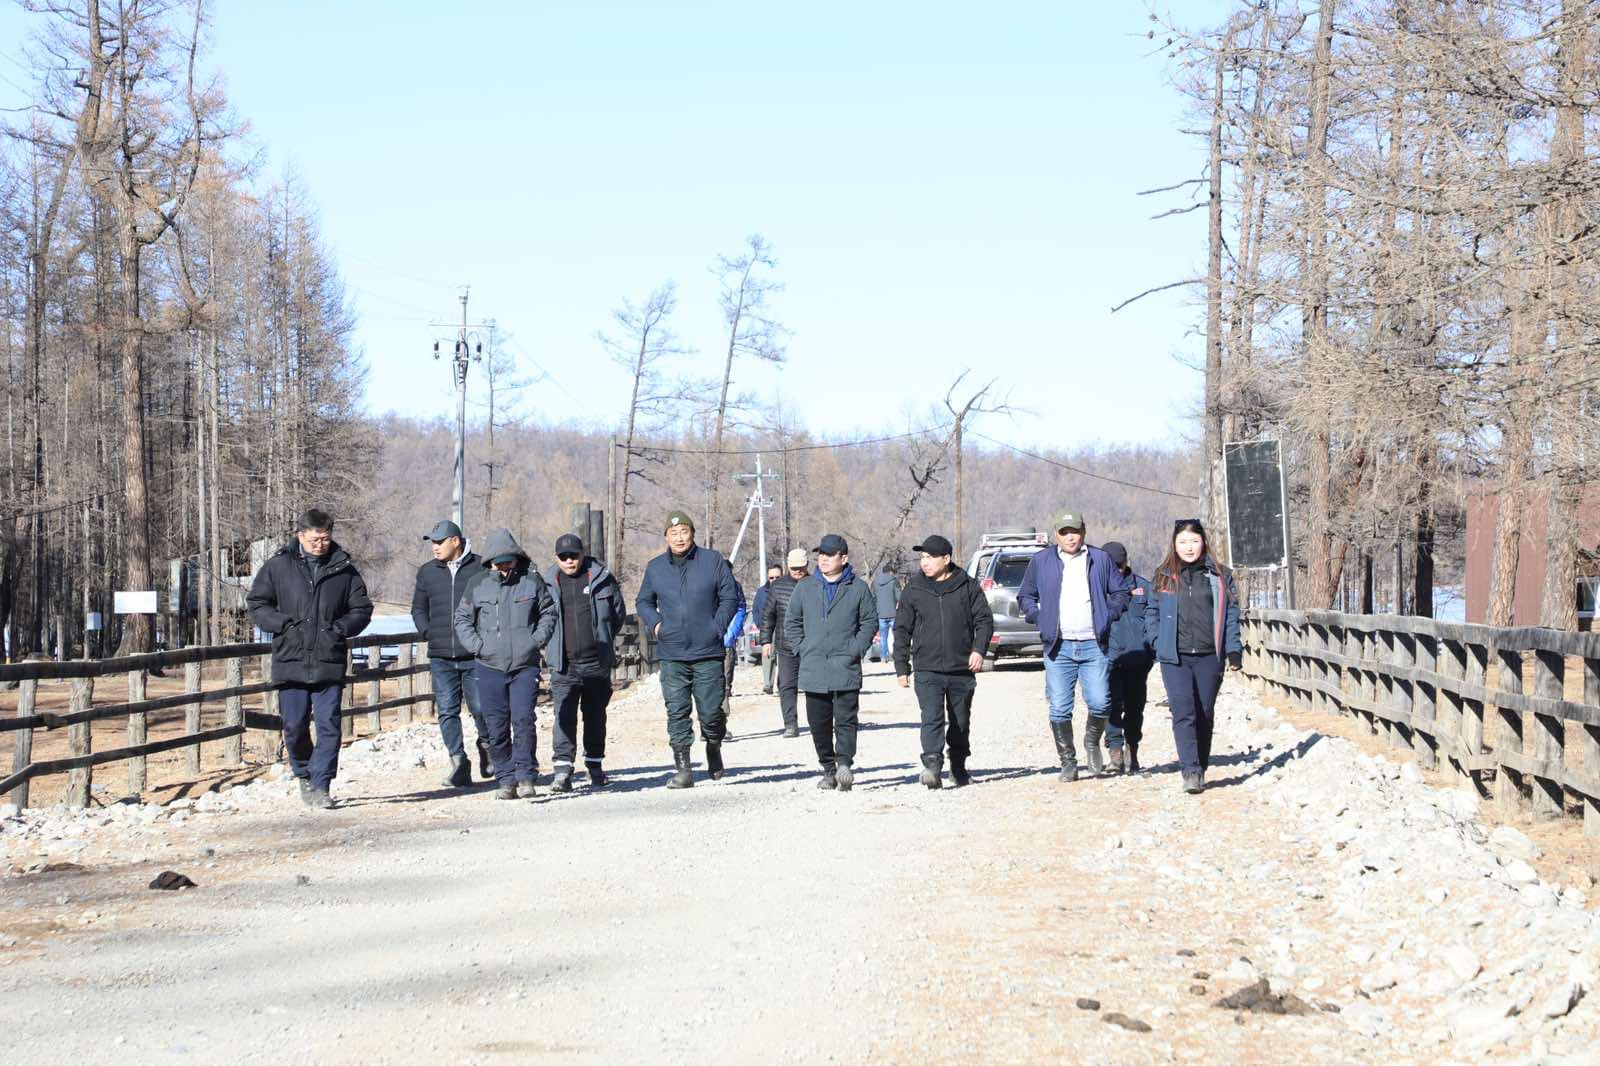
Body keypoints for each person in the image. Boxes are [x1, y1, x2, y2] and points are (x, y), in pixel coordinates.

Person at [247, 508, 373, 810]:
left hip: (328, 659)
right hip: (290, 659)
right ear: (301, 535)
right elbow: (257, 603)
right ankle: (303, 773)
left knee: (329, 724)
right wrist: (283, 625)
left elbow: (361, 610)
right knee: (294, 724)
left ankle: (322, 783)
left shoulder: (344, 570)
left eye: (326, 539)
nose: (321, 544)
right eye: (315, 539)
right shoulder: (278, 567)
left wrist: (339, 629)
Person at [1017, 511, 1133, 783]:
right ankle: (1067, 762)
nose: (1071, 537)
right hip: (1059, 646)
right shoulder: (1042, 561)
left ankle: (1092, 741)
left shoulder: (1099, 559)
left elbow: (1120, 592)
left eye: (1076, 531)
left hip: (1093, 644)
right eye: (1065, 532)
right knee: (1059, 708)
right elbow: (1025, 595)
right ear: (1056, 533)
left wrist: (1108, 614)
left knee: (1101, 702)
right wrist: (1038, 616)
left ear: (1084, 532)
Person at [636, 510, 739, 788]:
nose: (679, 537)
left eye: (684, 531)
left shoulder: (712, 561)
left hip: (708, 651)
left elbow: (730, 596)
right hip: (673, 653)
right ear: (666, 537)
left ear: (692, 533)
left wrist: (718, 626)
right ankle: (684, 769)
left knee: (711, 711)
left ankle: (713, 745)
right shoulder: (655, 567)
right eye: (673, 533)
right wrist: (657, 625)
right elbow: (643, 602)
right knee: (677, 710)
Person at [453, 529, 556, 800]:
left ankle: (525, 776)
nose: (503, 567)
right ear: (489, 562)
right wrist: (478, 646)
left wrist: (535, 641)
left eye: (508, 562)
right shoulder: (477, 583)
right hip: (489, 665)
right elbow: (462, 619)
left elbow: (548, 612)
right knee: (495, 724)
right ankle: (505, 779)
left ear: (516, 559)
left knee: (523, 719)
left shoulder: (531, 581)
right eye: (498, 563)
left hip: (524, 664)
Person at [1143, 519, 1242, 794]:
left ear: (1203, 542)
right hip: (1175, 657)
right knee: (1183, 711)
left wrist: (1233, 649)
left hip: (1211, 655)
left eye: (1194, 541)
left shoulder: (1221, 575)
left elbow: (1232, 613)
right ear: (1174, 544)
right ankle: (1191, 770)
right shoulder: (1163, 575)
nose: (1189, 547)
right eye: (1183, 542)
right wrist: (1155, 640)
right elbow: (1151, 611)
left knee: (1204, 711)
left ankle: (1201, 761)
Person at [893, 534, 992, 789]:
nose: (924, 562)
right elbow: (902, 629)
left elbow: (984, 621)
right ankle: (932, 765)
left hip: (961, 667)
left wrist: (978, 650)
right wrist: (902, 666)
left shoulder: (967, 586)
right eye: (922, 557)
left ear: (946, 559)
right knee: (932, 717)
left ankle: (958, 767)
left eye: (930, 557)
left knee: (960, 721)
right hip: (927, 667)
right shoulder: (914, 589)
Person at [783, 534, 877, 791]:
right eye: (820, 554)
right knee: (818, 723)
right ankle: (828, 768)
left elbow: (869, 622)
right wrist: (802, 648)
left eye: (829, 554)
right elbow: (791, 622)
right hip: (813, 666)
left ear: (843, 558)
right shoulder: (805, 587)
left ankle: (845, 763)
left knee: (846, 719)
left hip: (845, 665)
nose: (823, 559)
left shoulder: (858, 588)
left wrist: (855, 649)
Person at [410, 519, 491, 788]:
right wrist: (427, 632)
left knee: (481, 707)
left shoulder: (481, 568)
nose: (434, 547)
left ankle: (487, 745)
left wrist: (484, 639)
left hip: (474, 655)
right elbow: (418, 609)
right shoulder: (427, 572)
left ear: (455, 541)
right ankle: (458, 762)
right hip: (441, 655)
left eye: (439, 542)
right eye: (432, 542)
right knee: (446, 711)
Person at [544, 533, 624, 792]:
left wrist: (604, 638)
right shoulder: (546, 583)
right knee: (563, 717)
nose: (569, 561)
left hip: (595, 662)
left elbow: (618, 613)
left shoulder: (602, 578)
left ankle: (595, 766)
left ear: (582, 554)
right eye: (563, 557)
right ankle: (563, 771)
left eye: (573, 556)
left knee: (595, 717)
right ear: (556, 558)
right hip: (563, 663)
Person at [1101, 541, 1155, 774]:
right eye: (1111, 566)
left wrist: (1151, 652)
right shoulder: (1096, 589)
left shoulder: (1143, 587)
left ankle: (1132, 751)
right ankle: (1115, 752)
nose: (1116, 570)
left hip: (1137, 659)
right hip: (1108, 659)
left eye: (1119, 565)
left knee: (1135, 708)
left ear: (1126, 563)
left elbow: (1154, 620)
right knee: (1110, 707)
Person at [760, 549, 808, 738]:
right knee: (787, 685)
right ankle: (790, 723)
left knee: (816, 685)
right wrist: (765, 640)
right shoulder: (777, 586)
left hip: (811, 644)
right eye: (794, 568)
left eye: (801, 568)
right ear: (788, 566)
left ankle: (820, 720)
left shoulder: (815, 584)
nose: (797, 571)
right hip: (785, 644)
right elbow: (768, 615)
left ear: (807, 566)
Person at [752, 564, 781, 694]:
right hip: (767, 629)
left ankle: (783, 685)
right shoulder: (761, 592)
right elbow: (756, 610)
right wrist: (760, 626)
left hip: (784, 628)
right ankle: (768, 684)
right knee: (768, 656)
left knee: (784, 659)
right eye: (771, 577)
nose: (774, 580)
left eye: (777, 577)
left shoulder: (788, 588)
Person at [871, 565, 900, 662]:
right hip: (893, 613)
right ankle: (897, 656)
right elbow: (899, 597)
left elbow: (873, 598)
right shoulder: (894, 581)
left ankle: (884, 657)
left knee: (883, 637)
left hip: (880, 614)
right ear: (890, 572)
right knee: (897, 636)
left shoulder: (875, 582)